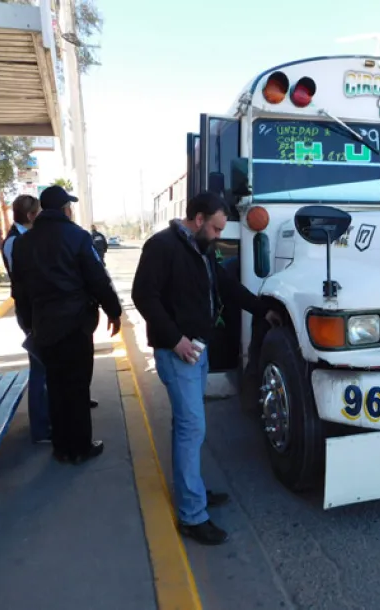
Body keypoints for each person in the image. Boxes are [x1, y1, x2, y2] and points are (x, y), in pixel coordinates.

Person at [132, 191, 282, 546]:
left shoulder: (200, 250)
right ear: (198, 219)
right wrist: (175, 339)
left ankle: (192, 490)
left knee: (189, 427)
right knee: (191, 427)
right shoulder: (163, 246)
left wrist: (263, 310)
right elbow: (143, 296)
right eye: (215, 228)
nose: (218, 236)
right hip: (179, 352)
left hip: (197, 351)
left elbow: (226, 287)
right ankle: (192, 515)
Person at [11, 185, 122, 464]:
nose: (71, 210)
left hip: (45, 327)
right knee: (77, 386)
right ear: (63, 209)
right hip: (76, 325)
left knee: (56, 386)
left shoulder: (24, 243)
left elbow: (20, 291)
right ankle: (81, 446)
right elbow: (97, 279)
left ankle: (61, 447)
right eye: (69, 206)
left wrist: (28, 324)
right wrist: (114, 311)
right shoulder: (77, 237)